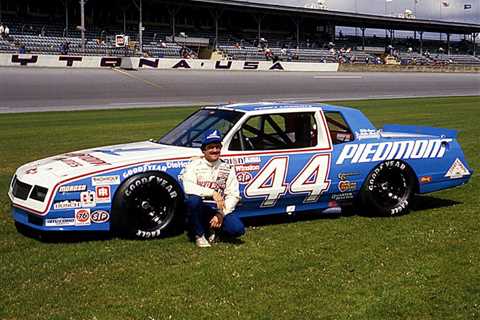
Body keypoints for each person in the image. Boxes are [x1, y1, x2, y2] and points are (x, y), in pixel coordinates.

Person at [181, 129, 245, 248]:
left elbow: (234, 195)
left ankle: (212, 229)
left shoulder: (227, 167)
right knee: (193, 201)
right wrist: (212, 192)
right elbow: (188, 187)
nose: (215, 150)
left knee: (237, 230)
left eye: (217, 147)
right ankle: (199, 234)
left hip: (217, 209)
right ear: (204, 150)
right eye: (211, 147)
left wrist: (221, 214)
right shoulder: (194, 165)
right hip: (200, 208)